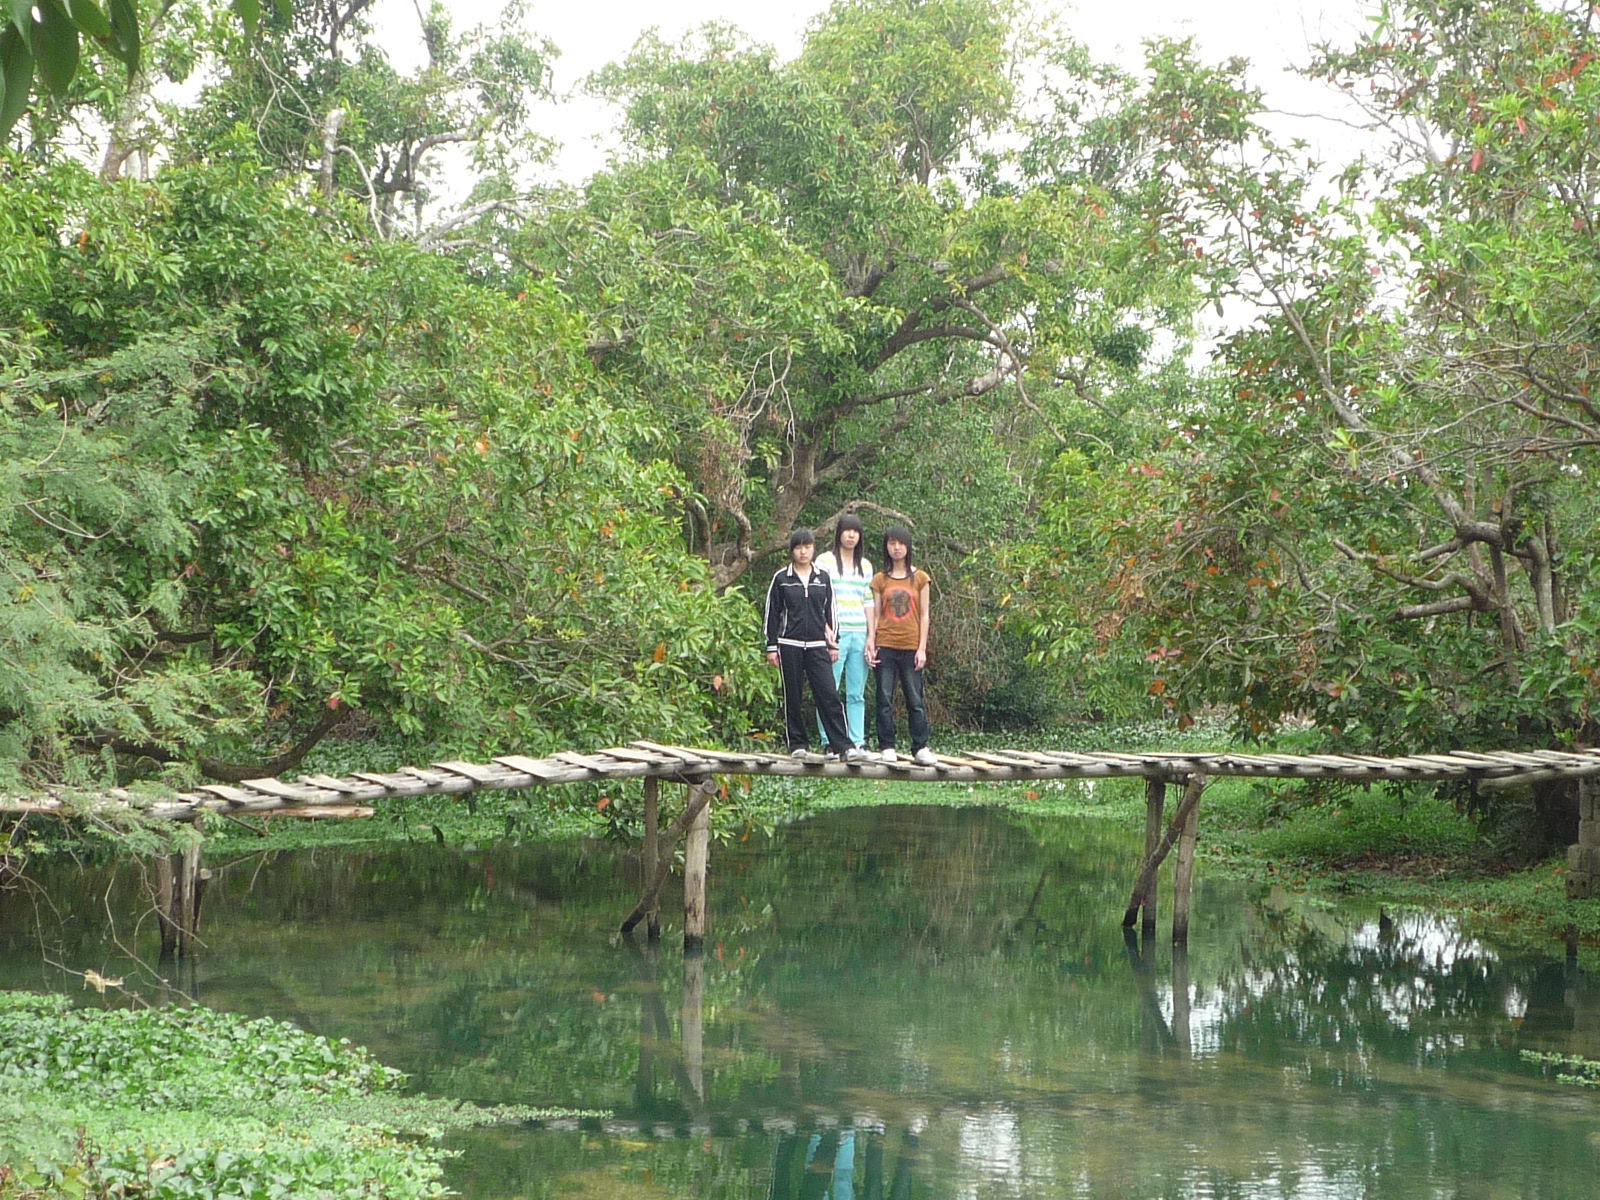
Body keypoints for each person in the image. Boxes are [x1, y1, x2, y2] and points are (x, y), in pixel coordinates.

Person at [764, 528, 867, 762]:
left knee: (829, 694)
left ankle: (843, 745)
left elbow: (831, 610)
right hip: (789, 644)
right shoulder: (782, 578)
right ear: (792, 550)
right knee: (793, 696)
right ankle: (798, 744)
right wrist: (771, 646)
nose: (803, 552)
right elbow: (772, 613)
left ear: (813, 549)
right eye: (799, 547)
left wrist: (834, 643)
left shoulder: (823, 577)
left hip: (818, 644)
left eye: (807, 547)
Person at [865, 525, 936, 766]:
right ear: (886, 546)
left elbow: (924, 614)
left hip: (911, 646)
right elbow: (876, 614)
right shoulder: (880, 579)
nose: (897, 548)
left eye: (901, 543)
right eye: (892, 543)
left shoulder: (921, 578)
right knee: (884, 697)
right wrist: (871, 641)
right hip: (885, 644)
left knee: (915, 699)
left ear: (908, 546)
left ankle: (920, 746)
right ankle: (887, 746)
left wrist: (922, 648)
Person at [815, 514, 873, 749]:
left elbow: (869, 601)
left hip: (860, 632)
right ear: (839, 533)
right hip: (834, 634)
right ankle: (830, 741)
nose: (851, 535)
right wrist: (826, 629)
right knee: (829, 690)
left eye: (856, 531)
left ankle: (858, 742)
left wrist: (871, 636)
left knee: (856, 693)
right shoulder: (824, 561)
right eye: (847, 530)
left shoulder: (865, 566)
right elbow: (817, 598)